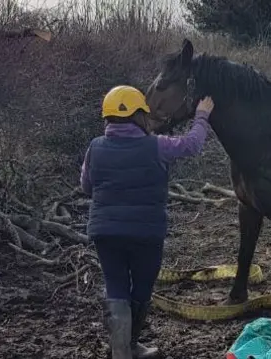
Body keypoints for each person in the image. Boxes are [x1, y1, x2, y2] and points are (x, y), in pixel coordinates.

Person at [80, 85, 214, 359]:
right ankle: (128, 346)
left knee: (115, 286)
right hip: (146, 232)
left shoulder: (95, 147)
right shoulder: (158, 145)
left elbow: (86, 187)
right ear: (140, 115)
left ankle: (122, 350)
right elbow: (192, 145)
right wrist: (202, 115)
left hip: (105, 232)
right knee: (141, 287)